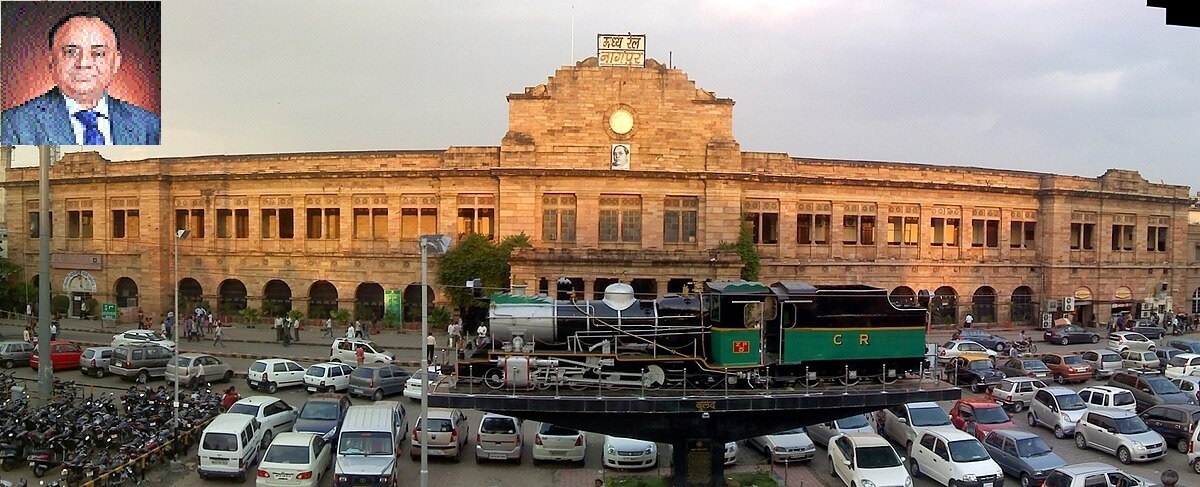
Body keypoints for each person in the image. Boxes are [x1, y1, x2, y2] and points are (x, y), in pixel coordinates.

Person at [1, 11, 160, 145]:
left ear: (116, 63)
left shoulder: (149, 126)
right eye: (71, 52)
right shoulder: (14, 125)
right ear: (52, 61)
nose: (84, 63)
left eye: (98, 53)